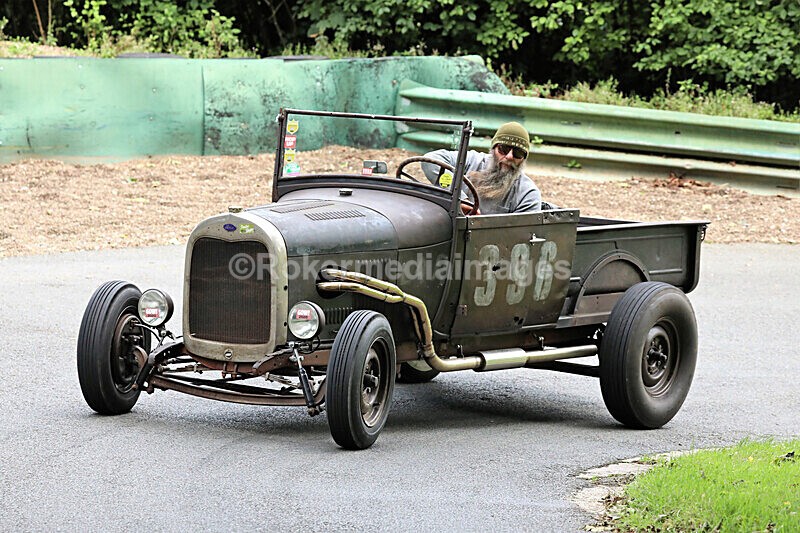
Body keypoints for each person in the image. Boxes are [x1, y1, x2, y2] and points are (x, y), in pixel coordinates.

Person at [421, 122, 542, 214]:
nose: (509, 157)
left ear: (524, 159)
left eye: (518, 153)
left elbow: (520, 238)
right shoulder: (471, 161)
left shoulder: (527, 194)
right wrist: (459, 198)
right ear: (493, 149)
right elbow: (430, 160)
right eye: (504, 149)